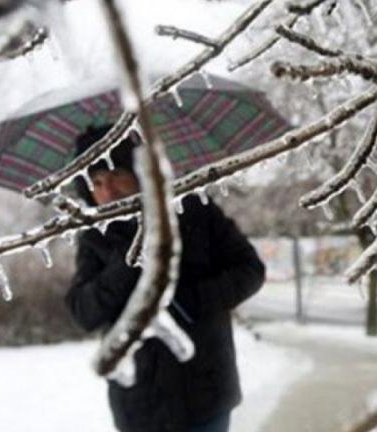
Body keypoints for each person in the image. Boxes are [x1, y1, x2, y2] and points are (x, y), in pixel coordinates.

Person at [65, 125, 265, 432]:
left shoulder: (194, 210)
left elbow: (250, 270)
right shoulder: (94, 237)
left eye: (117, 175)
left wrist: (191, 299)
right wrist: (125, 265)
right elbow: (83, 310)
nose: (107, 191)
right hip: (139, 404)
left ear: (138, 172)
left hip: (206, 392)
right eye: (97, 183)